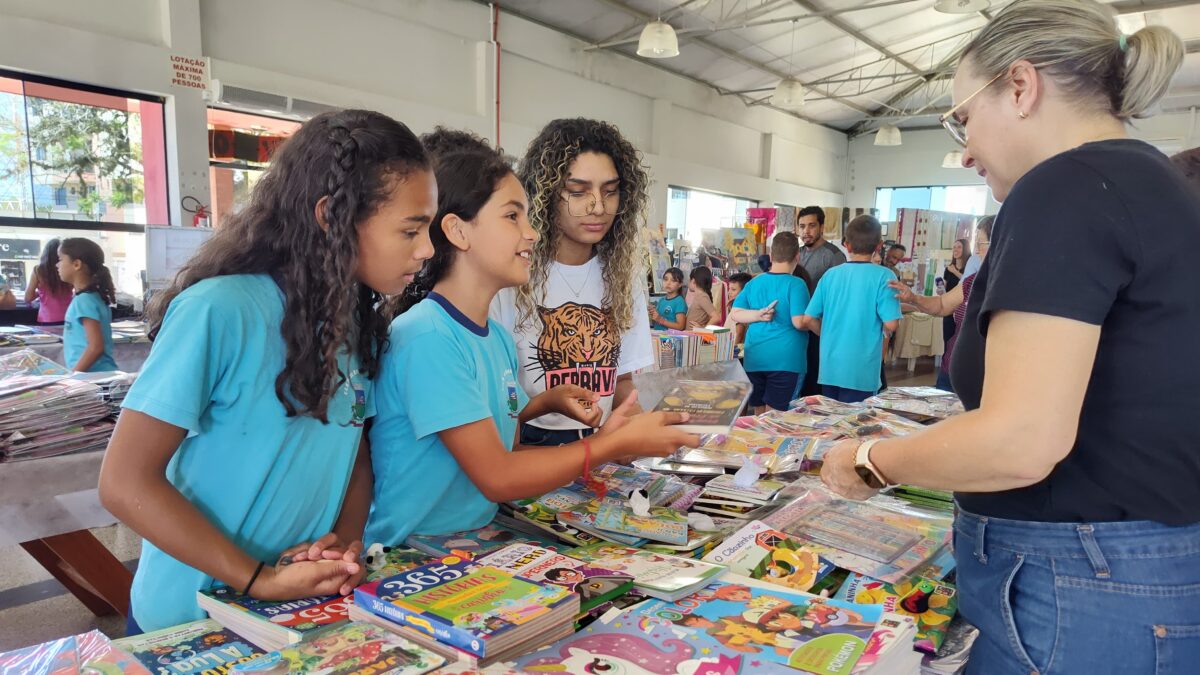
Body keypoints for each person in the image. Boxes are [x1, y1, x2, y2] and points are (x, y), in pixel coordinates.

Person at [819, 2, 1200, 671]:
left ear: (1021, 87)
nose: (964, 149)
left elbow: (1023, 440)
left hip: (1080, 584)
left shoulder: (1066, 187)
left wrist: (871, 458)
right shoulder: (1156, 184)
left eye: (964, 116)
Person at [98, 110, 438, 633]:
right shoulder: (220, 310)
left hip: (292, 609)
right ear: (332, 217)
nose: (426, 249)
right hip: (188, 618)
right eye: (410, 230)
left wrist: (343, 544)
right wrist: (256, 577)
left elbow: (354, 451)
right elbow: (124, 482)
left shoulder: (355, 321)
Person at [365, 133, 698, 546]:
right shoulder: (427, 337)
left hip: (474, 539)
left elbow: (512, 453)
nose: (532, 233)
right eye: (512, 217)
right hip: (411, 550)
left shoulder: (497, 340)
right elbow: (498, 476)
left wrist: (589, 431)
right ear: (457, 231)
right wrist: (610, 446)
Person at [491, 118, 655, 447]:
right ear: (546, 193)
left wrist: (640, 425)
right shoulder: (512, 274)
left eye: (610, 191)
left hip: (601, 445)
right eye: (578, 192)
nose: (598, 206)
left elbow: (620, 381)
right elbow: (495, 399)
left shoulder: (624, 276)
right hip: (525, 445)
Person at [803, 216, 901, 403]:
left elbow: (808, 318)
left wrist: (827, 334)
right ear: (879, 245)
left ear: (846, 245)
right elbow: (892, 323)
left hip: (830, 366)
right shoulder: (884, 276)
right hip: (862, 369)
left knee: (833, 424)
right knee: (855, 427)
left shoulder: (830, 275)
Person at [891, 218, 993, 393]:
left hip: (984, 379)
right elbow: (941, 304)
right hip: (951, 370)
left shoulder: (1010, 289)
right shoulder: (972, 282)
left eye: (981, 243)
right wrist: (914, 298)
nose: (976, 250)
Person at [729, 232, 810, 413]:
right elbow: (798, 322)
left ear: (771, 256)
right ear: (798, 256)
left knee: (760, 417)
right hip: (786, 361)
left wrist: (758, 315)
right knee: (778, 420)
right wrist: (816, 323)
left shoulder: (755, 282)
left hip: (755, 358)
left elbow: (735, 313)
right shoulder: (796, 284)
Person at [57, 238, 119, 373]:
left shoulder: (84, 301)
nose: (57, 265)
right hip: (94, 377)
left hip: (94, 378)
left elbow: (96, 347)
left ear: (76, 264)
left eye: (61, 259)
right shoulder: (92, 298)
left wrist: (73, 377)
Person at [796, 206, 847, 289]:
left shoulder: (834, 255)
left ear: (821, 227)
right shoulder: (797, 253)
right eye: (802, 226)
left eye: (812, 226)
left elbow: (840, 289)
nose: (806, 231)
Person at [25, 239, 72, 322]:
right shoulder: (68, 270)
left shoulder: (38, 271)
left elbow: (28, 298)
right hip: (68, 317)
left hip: (46, 319)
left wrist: (41, 293)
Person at [941, 238, 971, 343]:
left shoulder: (970, 267)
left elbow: (969, 282)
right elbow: (945, 288)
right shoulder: (949, 269)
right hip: (949, 309)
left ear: (966, 249)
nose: (956, 250)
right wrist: (940, 291)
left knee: (960, 341)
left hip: (963, 310)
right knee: (948, 340)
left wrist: (955, 272)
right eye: (954, 247)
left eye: (959, 247)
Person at [725, 272, 752, 349]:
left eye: (733, 289)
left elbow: (739, 333)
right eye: (729, 288)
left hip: (734, 350)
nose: (729, 292)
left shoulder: (740, 308)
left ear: (744, 292)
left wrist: (732, 351)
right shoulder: (735, 306)